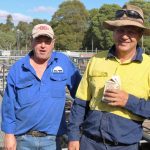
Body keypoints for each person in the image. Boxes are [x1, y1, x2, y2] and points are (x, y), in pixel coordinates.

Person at [68, 4, 150, 150]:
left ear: (139, 35)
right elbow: (80, 103)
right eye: (120, 30)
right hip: (89, 143)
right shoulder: (96, 60)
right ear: (113, 32)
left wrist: (128, 101)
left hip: (125, 146)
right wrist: (73, 136)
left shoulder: (148, 66)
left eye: (131, 31)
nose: (124, 36)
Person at [1, 23, 81, 150]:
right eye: (39, 40)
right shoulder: (18, 68)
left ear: (53, 42)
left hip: (52, 140)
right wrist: (9, 134)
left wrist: (76, 132)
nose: (43, 45)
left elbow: (81, 95)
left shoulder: (63, 62)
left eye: (47, 41)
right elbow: (8, 104)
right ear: (31, 42)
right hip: (22, 138)